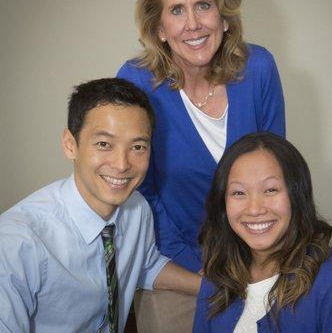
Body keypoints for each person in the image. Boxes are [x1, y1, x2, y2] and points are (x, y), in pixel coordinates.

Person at [117, 0, 285, 331]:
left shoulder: (259, 68)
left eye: (203, 5)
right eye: (176, 10)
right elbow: (139, 189)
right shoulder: (137, 81)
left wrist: (258, 256)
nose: (192, 24)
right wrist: (197, 263)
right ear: (159, 28)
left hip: (256, 249)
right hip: (174, 261)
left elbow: (275, 171)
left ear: (224, 17)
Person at [0, 78, 200, 333]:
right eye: (104, 144)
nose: (122, 164)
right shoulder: (16, 243)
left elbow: (145, 265)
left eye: (138, 147)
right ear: (70, 145)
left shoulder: (137, 208)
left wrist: (212, 287)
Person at [193, 132, 332, 332]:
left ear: (297, 195)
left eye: (270, 190)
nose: (254, 209)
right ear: (223, 204)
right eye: (238, 193)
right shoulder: (218, 274)